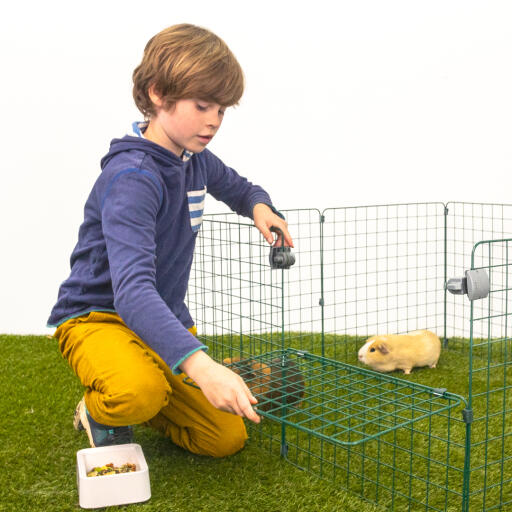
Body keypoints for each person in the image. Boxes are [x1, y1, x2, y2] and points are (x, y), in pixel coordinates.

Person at [47, 23, 293, 457]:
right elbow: (133, 292)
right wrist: (200, 365)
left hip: (160, 318)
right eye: (202, 106)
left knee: (224, 439)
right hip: (99, 317)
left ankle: (164, 389)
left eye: (222, 109)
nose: (214, 121)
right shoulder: (133, 177)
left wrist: (261, 207)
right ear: (159, 94)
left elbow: (237, 187)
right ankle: (101, 407)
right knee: (135, 391)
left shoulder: (193, 157)